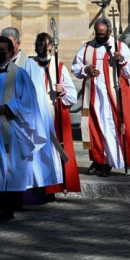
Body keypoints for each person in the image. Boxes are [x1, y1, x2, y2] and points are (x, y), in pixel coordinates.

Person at [0, 35, 45, 222]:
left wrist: (6, 108)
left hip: (10, 128)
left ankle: (6, 208)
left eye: (2, 51)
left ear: (12, 52)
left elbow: (29, 103)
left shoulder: (19, 75)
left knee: (8, 167)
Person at [72, 18, 130, 176]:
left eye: (103, 35)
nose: (99, 37)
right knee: (94, 129)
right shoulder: (87, 47)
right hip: (93, 96)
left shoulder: (119, 47)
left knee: (110, 128)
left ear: (110, 32)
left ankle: (109, 162)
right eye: (97, 34)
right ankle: (97, 160)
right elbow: (75, 67)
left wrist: (122, 61)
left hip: (112, 97)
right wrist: (86, 69)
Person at [0, 27, 60, 204]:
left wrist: (14, 111)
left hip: (22, 123)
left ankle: (24, 196)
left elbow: (34, 98)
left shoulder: (29, 66)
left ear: (17, 44)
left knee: (24, 162)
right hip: (0, 123)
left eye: (9, 44)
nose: (4, 49)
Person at [31, 32, 81, 193]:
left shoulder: (58, 66)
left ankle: (56, 185)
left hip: (53, 116)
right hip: (35, 116)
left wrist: (62, 90)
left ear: (51, 46)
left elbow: (72, 95)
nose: (41, 48)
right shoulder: (31, 65)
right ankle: (38, 186)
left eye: (45, 45)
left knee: (54, 151)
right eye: (39, 44)